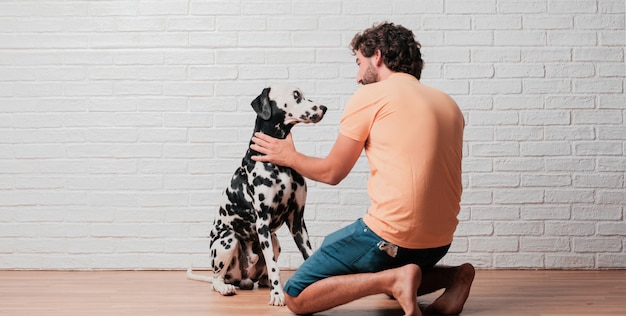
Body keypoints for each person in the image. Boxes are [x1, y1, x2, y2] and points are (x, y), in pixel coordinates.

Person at [250, 22, 475, 316]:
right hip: (438, 243)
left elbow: (332, 173)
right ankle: (452, 276)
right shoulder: (449, 105)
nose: (358, 78)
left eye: (359, 63)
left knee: (296, 294)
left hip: (390, 237)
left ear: (377, 56)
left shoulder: (371, 97)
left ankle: (396, 279)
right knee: (380, 268)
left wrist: (289, 156)